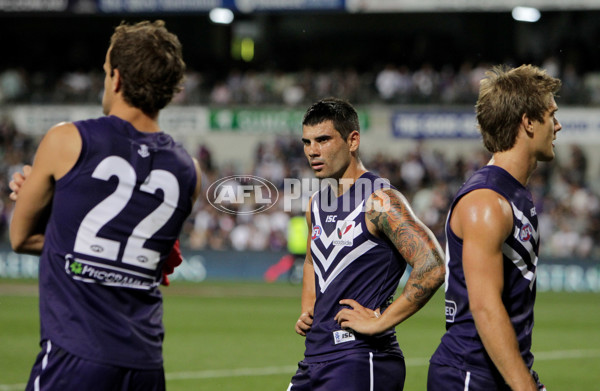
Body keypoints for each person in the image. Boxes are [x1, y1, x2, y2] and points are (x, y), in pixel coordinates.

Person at [9, 20, 201, 391]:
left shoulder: (66, 140)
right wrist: (67, 203)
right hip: (146, 365)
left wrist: (54, 201)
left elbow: (21, 238)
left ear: (116, 79)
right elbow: (137, 255)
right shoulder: (189, 171)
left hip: (75, 355)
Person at [287, 97, 445, 391]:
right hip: (315, 358)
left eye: (323, 140)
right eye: (307, 142)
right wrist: (309, 309)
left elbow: (432, 265)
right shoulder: (316, 204)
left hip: (361, 358)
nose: (313, 151)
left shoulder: (380, 201)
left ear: (353, 140)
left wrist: (380, 321)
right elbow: (312, 261)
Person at [427, 64, 561, 391]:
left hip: (491, 373)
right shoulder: (486, 203)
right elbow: (485, 309)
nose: (558, 125)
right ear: (528, 122)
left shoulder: (512, 194)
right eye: (551, 115)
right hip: (469, 374)